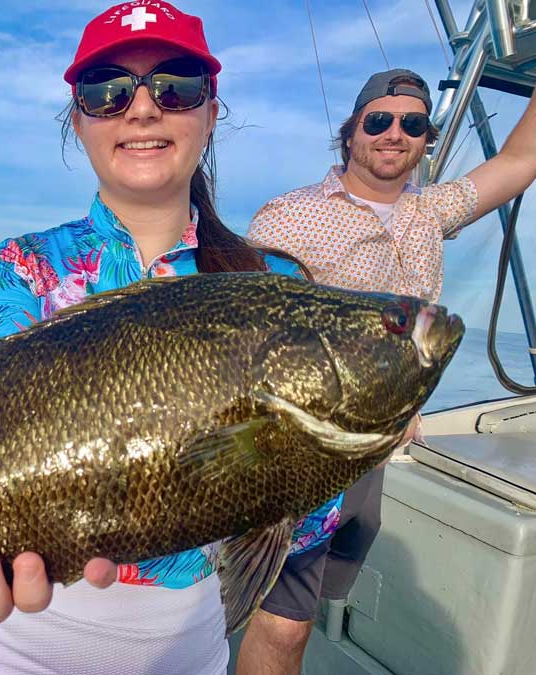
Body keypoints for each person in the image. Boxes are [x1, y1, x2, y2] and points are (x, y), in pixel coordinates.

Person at [0, 3, 358, 673]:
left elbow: (302, 520)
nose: (143, 107)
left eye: (176, 84)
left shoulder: (277, 285)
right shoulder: (15, 272)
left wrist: (356, 430)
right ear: (78, 119)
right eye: (107, 90)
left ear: (212, 112)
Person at [244, 68, 536, 674]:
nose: (394, 134)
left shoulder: (429, 212)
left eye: (413, 124)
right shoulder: (290, 217)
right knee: (284, 621)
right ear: (351, 132)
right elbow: (250, 338)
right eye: (378, 121)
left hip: (377, 448)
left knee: (312, 602)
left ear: (427, 139)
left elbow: (520, 158)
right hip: (306, 451)